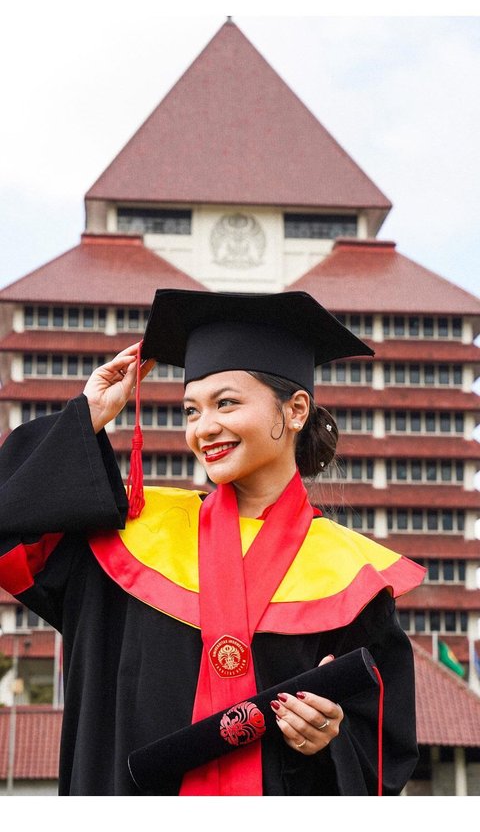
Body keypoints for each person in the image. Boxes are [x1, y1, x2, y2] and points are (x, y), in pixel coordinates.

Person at [0, 289, 424, 796]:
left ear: (295, 411)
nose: (205, 429)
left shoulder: (353, 576)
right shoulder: (129, 537)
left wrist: (329, 737)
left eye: (226, 403)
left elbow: (383, 749)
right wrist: (85, 416)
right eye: (190, 411)